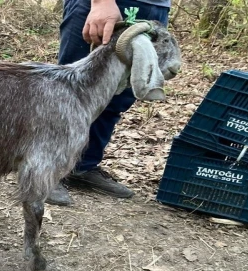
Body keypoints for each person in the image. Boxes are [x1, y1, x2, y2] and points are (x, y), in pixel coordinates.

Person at [46, 0, 171, 205]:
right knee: (70, 93)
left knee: (117, 96)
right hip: (108, 5)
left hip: (154, 7)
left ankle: (82, 167)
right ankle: (47, 170)